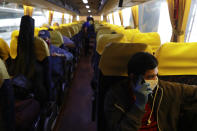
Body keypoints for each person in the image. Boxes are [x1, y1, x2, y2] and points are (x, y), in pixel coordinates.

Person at [104, 52, 197, 131]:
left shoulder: (164, 88)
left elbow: (193, 91)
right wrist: (139, 105)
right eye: (150, 77)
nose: (155, 80)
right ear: (133, 77)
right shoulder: (115, 97)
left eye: (156, 75)